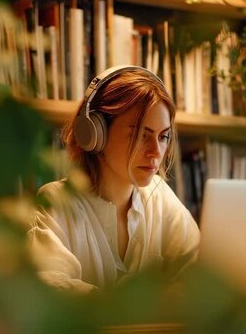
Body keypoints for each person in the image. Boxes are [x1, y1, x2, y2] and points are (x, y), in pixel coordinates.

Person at [29, 65, 200, 293]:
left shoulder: (161, 197)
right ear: (95, 133)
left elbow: (196, 276)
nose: (156, 152)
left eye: (163, 136)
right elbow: (49, 285)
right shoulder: (56, 202)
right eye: (141, 135)